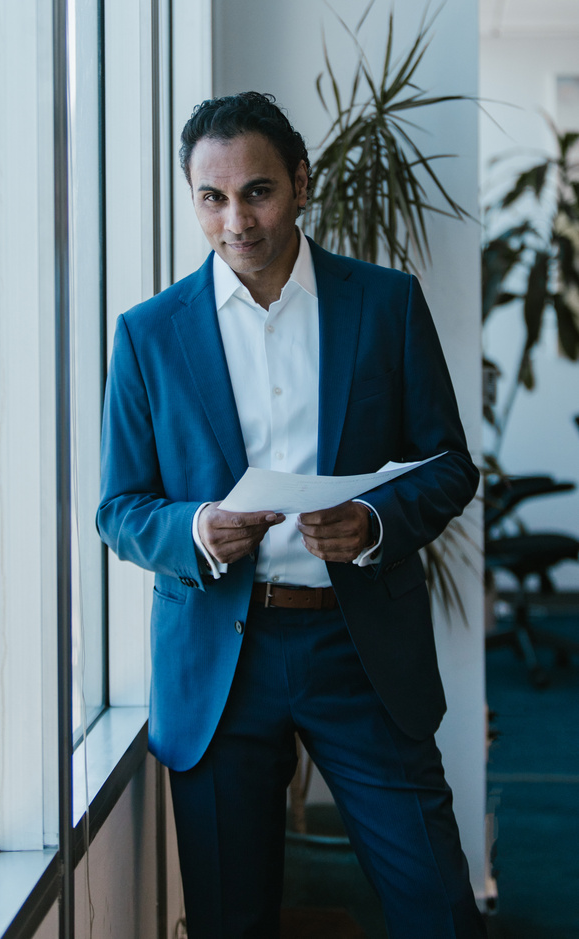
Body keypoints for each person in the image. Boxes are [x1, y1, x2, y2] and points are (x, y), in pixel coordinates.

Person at [97, 91, 486, 938]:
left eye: (258, 191)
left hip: (359, 651)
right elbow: (119, 508)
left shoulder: (384, 305)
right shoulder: (148, 335)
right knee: (232, 920)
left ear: (302, 183)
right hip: (219, 666)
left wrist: (376, 523)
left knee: (438, 906)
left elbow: (452, 464)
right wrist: (195, 530)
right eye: (212, 197)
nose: (235, 218)